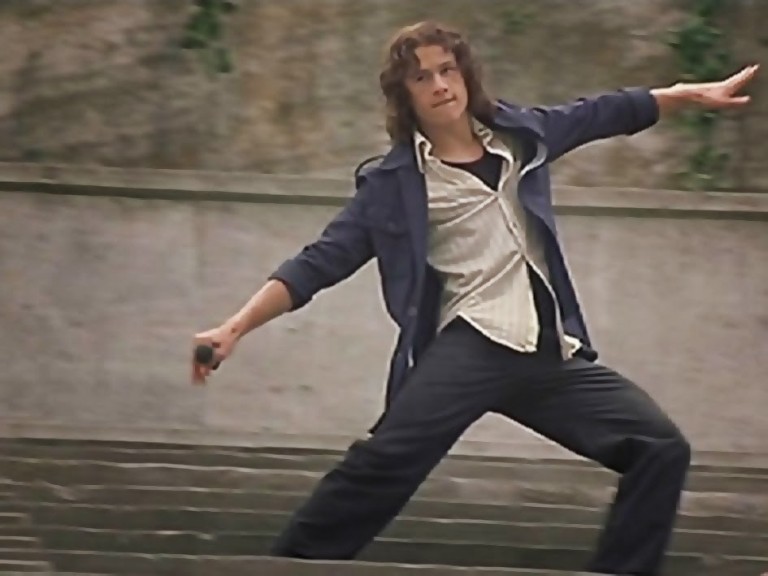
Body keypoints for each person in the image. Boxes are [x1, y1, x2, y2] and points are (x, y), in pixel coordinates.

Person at [192, 21, 758, 576]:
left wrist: (685, 95)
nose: (440, 85)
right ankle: (287, 566)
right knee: (386, 459)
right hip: (472, 343)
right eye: (421, 78)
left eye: (447, 70)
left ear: (465, 74)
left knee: (660, 446)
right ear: (404, 95)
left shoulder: (523, 135)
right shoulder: (394, 184)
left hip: (545, 349)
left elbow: (599, 113)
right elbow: (318, 263)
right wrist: (234, 328)